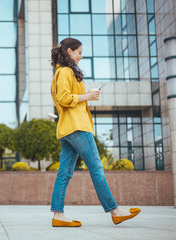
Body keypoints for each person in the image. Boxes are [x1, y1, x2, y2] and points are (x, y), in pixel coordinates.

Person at [49, 38, 140, 227]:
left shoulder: (62, 72)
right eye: (79, 52)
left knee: (64, 173)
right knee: (96, 168)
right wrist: (87, 96)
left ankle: (58, 215)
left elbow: (65, 99)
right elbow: (64, 98)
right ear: (68, 51)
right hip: (77, 127)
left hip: (67, 129)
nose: (81, 56)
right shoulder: (65, 71)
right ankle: (114, 211)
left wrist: (86, 97)